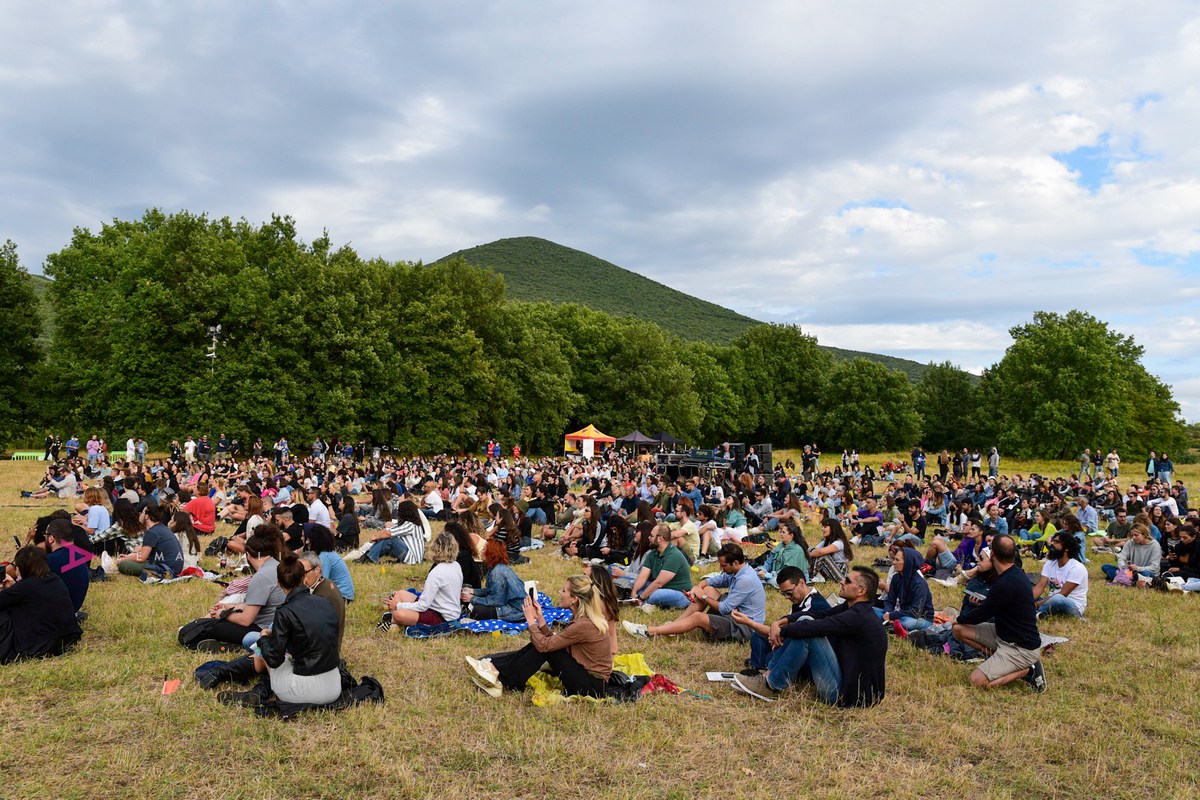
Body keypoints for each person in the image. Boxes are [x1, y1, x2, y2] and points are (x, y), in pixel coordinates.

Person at [731, 565, 887, 707]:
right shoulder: (852, 608)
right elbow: (820, 614)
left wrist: (782, 631)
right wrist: (779, 623)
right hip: (849, 686)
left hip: (849, 697)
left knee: (808, 632)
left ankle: (772, 685)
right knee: (805, 621)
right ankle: (768, 675)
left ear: (861, 591)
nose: (841, 581)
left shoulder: (858, 617)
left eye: (847, 580)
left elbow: (819, 626)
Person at [220, 552, 341, 708]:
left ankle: (221, 674)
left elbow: (273, 659)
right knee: (275, 650)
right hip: (334, 684)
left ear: (278, 583)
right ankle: (221, 674)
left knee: (262, 650)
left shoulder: (285, 612)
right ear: (303, 579)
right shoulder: (324, 602)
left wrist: (264, 638)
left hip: (307, 692)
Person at [465, 575, 612, 699]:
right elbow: (554, 641)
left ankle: (499, 675)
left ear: (574, 599)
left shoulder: (583, 624)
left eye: (564, 590)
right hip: (589, 679)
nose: (560, 592)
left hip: (592, 687)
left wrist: (530, 621)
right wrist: (540, 618)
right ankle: (493, 666)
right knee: (545, 645)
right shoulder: (582, 619)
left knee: (544, 647)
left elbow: (546, 646)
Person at [952, 534, 1046, 692]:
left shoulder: (1005, 583)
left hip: (1020, 649)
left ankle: (1027, 670)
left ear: (993, 554)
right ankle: (999, 661)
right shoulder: (1014, 573)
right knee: (958, 630)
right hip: (1004, 635)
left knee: (976, 681)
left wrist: (958, 618)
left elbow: (980, 615)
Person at [622, 543, 765, 642]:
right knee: (707, 589)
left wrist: (701, 595)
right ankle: (674, 626)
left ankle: (649, 632)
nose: (721, 568)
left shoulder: (745, 579)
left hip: (745, 627)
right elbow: (714, 581)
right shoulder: (739, 570)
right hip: (737, 614)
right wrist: (697, 588)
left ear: (735, 563)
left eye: (724, 565)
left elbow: (724, 608)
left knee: (698, 617)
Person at [190, 533, 286, 652]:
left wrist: (223, 614)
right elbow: (259, 604)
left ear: (248, 555)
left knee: (214, 627)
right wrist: (229, 607)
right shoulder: (276, 566)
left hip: (263, 630)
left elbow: (246, 620)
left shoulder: (261, 577)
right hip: (278, 626)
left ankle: (237, 645)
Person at [735, 566, 829, 672]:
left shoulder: (815, 605)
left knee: (770, 654)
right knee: (759, 636)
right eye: (783, 594)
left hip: (809, 655)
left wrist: (749, 622)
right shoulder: (800, 600)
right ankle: (760, 667)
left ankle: (762, 667)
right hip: (792, 641)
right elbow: (781, 631)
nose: (786, 597)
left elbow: (785, 634)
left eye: (789, 592)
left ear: (802, 583)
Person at [0, 547, 83, 663]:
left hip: (41, 646)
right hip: (66, 639)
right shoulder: (55, 579)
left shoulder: (24, 587)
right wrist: (14, 586)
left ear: (21, 568)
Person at [378, 532, 463, 630]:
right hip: (444, 608)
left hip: (442, 617)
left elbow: (423, 606)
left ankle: (395, 622)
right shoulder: (456, 565)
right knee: (401, 594)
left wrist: (398, 605)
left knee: (398, 614)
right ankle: (396, 622)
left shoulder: (436, 572)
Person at [630, 523, 694, 610]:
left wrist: (641, 597)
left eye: (651, 536)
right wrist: (634, 592)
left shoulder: (673, 555)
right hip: (662, 588)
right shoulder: (653, 553)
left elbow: (659, 583)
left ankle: (645, 603)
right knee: (632, 583)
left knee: (656, 595)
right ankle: (647, 601)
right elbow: (642, 576)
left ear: (660, 538)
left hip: (680, 593)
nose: (649, 538)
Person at [117, 504, 185, 582]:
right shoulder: (162, 528)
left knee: (123, 565)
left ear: (147, 516)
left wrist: (124, 559)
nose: (140, 514)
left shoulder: (151, 532)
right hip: (175, 567)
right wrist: (129, 556)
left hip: (164, 570)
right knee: (130, 559)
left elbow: (142, 558)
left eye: (142, 512)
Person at [464, 538, 526, 622]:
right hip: (514, 605)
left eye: (484, 549)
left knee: (478, 611)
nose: (481, 551)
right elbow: (491, 591)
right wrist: (473, 591)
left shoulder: (497, 573)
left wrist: (472, 598)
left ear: (491, 553)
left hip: (516, 611)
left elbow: (496, 601)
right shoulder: (497, 568)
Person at [36, 519, 91, 613]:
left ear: (51, 538)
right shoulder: (79, 557)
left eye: (45, 535)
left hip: (50, 616)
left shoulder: (49, 561)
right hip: (71, 611)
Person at [1031, 532, 1088, 619]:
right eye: (1052, 541)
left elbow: (1063, 594)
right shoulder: (1050, 563)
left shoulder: (1077, 568)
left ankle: (1033, 613)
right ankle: (1040, 614)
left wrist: (1036, 605)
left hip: (1071, 605)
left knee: (1058, 599)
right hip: (1050, 601)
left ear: (1067, 548)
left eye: (1056, 542)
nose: (1052, 544)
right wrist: (1027, 601)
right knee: (1023, 591)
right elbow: (1040, 586)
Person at [881, 546, 935, 633]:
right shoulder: (896, 578)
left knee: (906, 623)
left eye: (897, 560)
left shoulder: (919, 584)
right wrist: (887, 613)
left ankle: (891, 626)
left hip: (920, 619)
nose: (893, 562)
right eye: (894, 559)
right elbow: (890, 601)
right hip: (900, 614)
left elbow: (916, 612)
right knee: (872, 611)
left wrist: (892, 615)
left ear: (908, 563)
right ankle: (891, 625)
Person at [297, 551, 346, 647]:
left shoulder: (321, 598)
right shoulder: (326, 583)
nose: (300, 577)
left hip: (321, 653)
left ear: (317, 570)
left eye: (303, 573)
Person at [302, 524, 355, 602]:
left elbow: (320, 582)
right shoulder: (328, 554)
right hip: (342, 594)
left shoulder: (324, 557)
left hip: (342, 597)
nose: (306, 542)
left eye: (308, 540)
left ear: (316, 541)